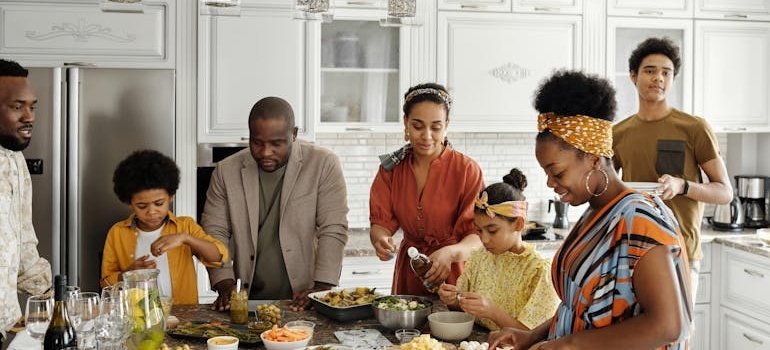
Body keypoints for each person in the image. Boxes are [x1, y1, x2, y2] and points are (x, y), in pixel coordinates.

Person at [489, 70, 692, 350]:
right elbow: (579, 305)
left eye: (556, 172)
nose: (550, 183)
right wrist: (532, 335)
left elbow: (669, 325)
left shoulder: (639, 220)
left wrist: (568, 345)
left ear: (594, 159)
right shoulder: (595, 212)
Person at [202, 96, 349, 311]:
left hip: (304, 298)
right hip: (247, 299)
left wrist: (322, 287)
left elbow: (333, 228)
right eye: (257, 142)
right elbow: (214, 231)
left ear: (294, 134)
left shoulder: (323, 164)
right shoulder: (226, 171)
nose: (265, 152)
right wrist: (224, 283)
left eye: (276, 144)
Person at [613, 37, 732, 299]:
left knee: (678, 337)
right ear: (633, 76)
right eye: (650, 70)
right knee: (635, 337)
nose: (658, 78)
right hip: (634, 252)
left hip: (680, 251)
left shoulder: (694, 127)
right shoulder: (618, 133)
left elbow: (724, 192)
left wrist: (683, 185)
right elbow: (607, 190)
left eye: (666, 72)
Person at [370, 83, 484, 296]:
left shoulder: (467, 170)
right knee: (407, 329)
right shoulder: (390, 170)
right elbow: (381, 224)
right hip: (409, 272)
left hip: (455, 274)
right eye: (418, 126)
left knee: (453, 328)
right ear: (406, 123)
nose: (427, 136)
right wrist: (380, 240)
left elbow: (477, 236)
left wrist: (450, 253)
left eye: (436, 127)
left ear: (447, 125)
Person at [100, 150, 229, 305]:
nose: (152, 212)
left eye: (159, 203)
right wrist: (129, 274)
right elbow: (105, 284)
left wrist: (185, 238)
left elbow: (219, 257)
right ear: (129, 203)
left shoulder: (184, 226)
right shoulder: (117, 233)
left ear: (171, 197)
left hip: (182, 317)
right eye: (142, 206)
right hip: (135, 317)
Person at [438, 168, 559, 331]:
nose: (484, 239)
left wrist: (492, 312)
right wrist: (454, 301)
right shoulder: (479, 257)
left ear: (518, 224)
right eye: (479, 230)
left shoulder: (539, 272)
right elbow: (464, 310)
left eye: (492, 230)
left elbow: (533, 335)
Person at [0, 59, 52, 345]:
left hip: (7, 327)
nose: (29, 116)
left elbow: (22, 246)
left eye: (33, 106)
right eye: (17, 107)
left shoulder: (15, 161)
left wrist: (56, 303)